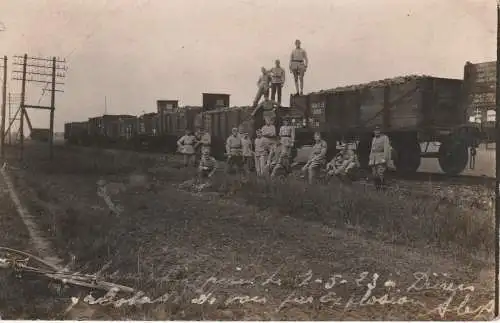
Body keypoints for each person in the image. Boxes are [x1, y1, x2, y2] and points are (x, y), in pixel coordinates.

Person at [369, 126, 391, 190]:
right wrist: (370, 158)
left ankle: (384, 188)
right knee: (374, 174)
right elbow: (372, 149)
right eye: (375, 130)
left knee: (380, 173)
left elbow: (386, 148)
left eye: (378, 130)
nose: (376, 132)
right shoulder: (374, 139)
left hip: (380, 158)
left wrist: (384, 158)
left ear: (381, 131)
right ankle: (377, 189)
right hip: (373, 159)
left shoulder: (385, 137)